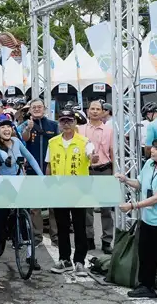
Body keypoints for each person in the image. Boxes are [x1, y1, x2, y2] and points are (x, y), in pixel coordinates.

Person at [116, 137, 157, 301]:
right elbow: (139, 183)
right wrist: (126, 180)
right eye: (153, 147)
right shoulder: (149, 165)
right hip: (149, 220)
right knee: (146, 255)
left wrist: (133, 206)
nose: (152, 150)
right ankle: (146, 285)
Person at [0, 116, 43, 273]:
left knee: (25, 223)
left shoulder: (17, 142)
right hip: (4, 187)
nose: (6, 129)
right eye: (2, 127)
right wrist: (6, 158)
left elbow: (30, 158)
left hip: (20, 185)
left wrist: (42, 176)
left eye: (8, 127)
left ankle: (30, 256)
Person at [46, 109, 98, 276]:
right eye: (63, 121)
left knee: (79, 226)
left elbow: (91, 154)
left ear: (75, 123)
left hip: (78, 192)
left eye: (69, 121)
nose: (66, 124)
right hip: (59, 191)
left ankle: (79, 261)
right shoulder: (53, 142)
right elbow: (49, 165)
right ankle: (64, 259)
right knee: (61, 226)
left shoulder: (84, 141)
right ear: (59, 123)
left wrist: (93, 157)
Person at [18, 98, 59, 246]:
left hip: (52, 170)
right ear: (29, 110)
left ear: (45, 108)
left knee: (54, 204)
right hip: (32, 171)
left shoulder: (54, 125)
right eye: (33, 107)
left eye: (39, 107)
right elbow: (24, 139)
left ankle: (56, 236)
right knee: (35, 207)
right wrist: (28, 128)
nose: (36, 109)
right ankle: (36, 236)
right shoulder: (25, 125)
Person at [79, 100, 115, 254]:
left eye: (97, 109)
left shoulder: (109, 130)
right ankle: (89, 238)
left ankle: (107, 240)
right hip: (86, 170)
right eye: (92, 109)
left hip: (104, 170)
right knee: (87, 208)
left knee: (106, 208)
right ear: (88, 111)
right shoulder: (79, 130)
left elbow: (113, 151)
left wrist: (114, 173)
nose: (94, 111)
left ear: (102, 112)